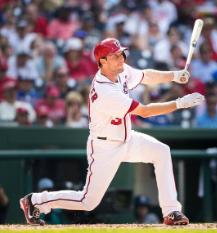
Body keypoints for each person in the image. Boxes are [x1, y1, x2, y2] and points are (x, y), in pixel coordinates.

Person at [19, 37, 204, 226]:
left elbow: (145, 75)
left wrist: (173, 75)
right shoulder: (105, 91)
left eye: (121, 54)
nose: (121, 58)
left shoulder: (119, 72)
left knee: (161, 151)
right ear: (103, 61)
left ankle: (171, 211)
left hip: (126, 138)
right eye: (115, 55)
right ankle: (35, 201)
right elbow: (145, 111)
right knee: (87, 201)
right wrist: (179, 103)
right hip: (105, 147)